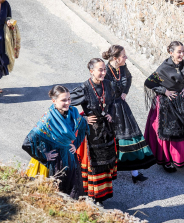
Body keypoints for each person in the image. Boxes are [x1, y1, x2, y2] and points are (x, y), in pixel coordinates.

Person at [22, 85, 89, 199]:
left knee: (73, 195)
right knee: (56, 194)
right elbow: (27, 143)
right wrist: (44, 155)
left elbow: (84, 127)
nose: (68, 102)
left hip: (71, 160)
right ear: (54, 101)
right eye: (63, 100)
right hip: (55, 163)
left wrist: (76, 144)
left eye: (69, 99)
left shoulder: (73, 113)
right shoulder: (47, 119)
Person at [144, 41, 184, 173]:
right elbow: (149, 82)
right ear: (171, 53)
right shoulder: (163, 68)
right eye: (179, 52)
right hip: (167, 103)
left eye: (183, 51)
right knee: (169, 132)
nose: (182, 54)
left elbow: (182, 80)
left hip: (182, 102)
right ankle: (166, 161)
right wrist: (165, 91)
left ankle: (182, 158)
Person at [103, 45, 155, 183]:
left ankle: (135, 173)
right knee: (111, 140)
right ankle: (108, 173)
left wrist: (125, 92)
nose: (126, 58)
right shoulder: (105, 71)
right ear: (115, 58)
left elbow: (130, 78)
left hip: (121, 106)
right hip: (109, 109)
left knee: (131, 136)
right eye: (124, 56)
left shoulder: (122, 68)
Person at [70, 58, 117, 203]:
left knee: (105, 163)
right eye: (100, 70)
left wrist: (111, 113)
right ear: (91, 71)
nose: (104, 72)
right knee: (94, 163)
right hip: (91, 133)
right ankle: (91, 195)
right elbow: (65, 105)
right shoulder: (84, 88)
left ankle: (101, 195)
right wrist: (81, 118)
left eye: (104, 69)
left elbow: (113, 102)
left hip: (106, 130)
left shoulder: (108, 84)